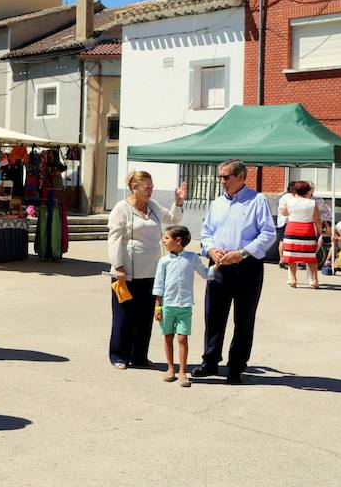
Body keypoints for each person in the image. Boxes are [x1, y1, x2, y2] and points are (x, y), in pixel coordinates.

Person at [194, 159, 276, 385]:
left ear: (241, 177)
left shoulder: (257, 201)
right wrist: (210, 248)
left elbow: (268, 234)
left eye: (226, 177)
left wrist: (242, 253)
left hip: (246, 266)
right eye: (220, 176)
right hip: (219, 265)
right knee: (214, 315)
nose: (222, 181)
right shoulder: (217, 203)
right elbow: (207, 232)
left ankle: (236, 366)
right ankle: (210, 361)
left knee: (244, 318)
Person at [107, 171, 186, 369]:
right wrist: (118, 266)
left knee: (144, 317)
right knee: (124, 316)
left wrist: (178, 202)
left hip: (152, 272)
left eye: (152, 187)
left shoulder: (153, 206)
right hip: (127, 272)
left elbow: (173, 220)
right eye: (146, 187)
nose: (150, 191)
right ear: (134, 187)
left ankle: (140, 356)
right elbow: (114, 238)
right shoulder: (121, 209)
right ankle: (119, 356)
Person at [153, 225, 215, 387]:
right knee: (168, 336)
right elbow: (158, 285)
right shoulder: (163, 261)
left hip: (185, 306)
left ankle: (182, 371)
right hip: (167, 306)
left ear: (178, 241)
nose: (164, 241)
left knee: (182, 338)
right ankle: (170, 368)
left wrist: (218, 263)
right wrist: (158, 306)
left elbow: (206, 274)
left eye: (167, 238)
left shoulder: (192, 258)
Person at [280, 180, 322, 289]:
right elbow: (317, 220)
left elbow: (284, 213)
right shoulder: (312, 203)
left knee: (292, 256)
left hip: (292, 229)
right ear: (307, 191)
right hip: (307, 230)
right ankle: (314, 279)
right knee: (311, 257)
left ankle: (293, 279)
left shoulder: (289, 201)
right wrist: (320, 233)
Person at [276, 181, 296, 268]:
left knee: (281, 241)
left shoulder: (283, 196)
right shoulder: (292, 197)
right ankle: (285, 259)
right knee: (288, 241)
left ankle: (281, 259)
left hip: (281, 221)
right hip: (288, 221)